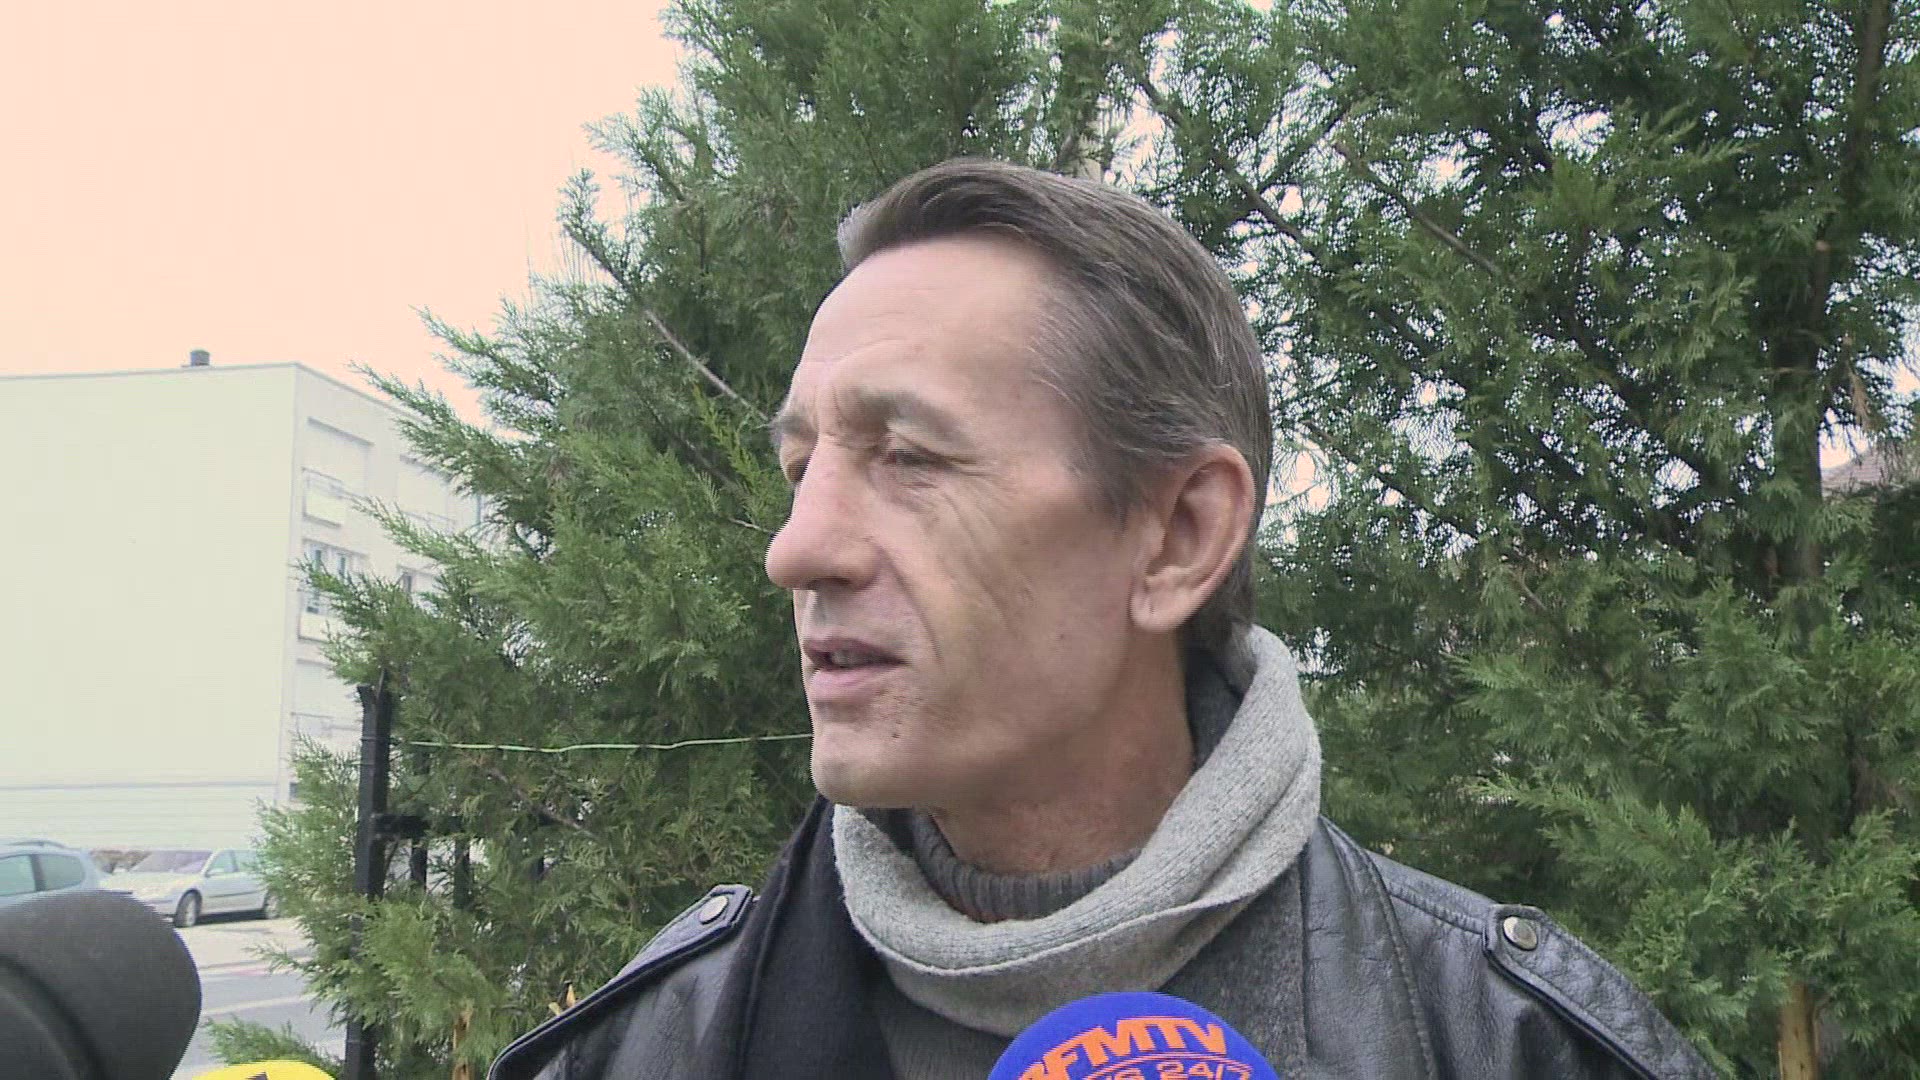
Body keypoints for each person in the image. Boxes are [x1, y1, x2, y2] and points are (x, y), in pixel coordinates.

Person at [488, 159, 1716, 1080]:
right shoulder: (650, 1047)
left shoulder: (1503, 1044)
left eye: (908, 456)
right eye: (801, 469)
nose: (796, 548)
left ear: (1178, 536)